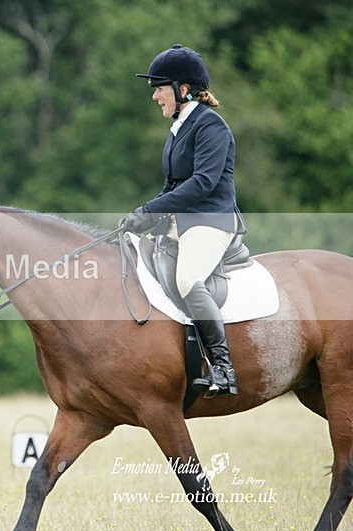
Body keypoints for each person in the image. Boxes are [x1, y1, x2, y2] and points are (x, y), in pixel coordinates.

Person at [121, 44, 243, 396]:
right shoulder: (178, 130)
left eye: (160, 88)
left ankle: (223, 368)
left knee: (188, 279)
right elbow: (171, 186)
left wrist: (150, 210)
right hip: (182, 222)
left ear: (182, 89)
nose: (155, 96)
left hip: (211, 221)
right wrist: (142, 218)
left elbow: (203, 184)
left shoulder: (211, 127)